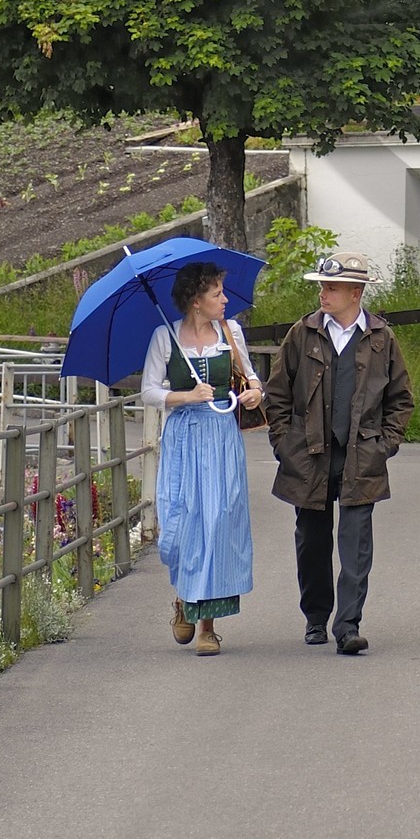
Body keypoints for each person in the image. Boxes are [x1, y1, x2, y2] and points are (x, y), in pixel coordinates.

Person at [263, 249, 414, 655]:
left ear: (355, 292)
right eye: (322, 286)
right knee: (311, 542)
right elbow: (276, 394)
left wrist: (385, 445)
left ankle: (348, 626)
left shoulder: (381, 339)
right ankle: (316, 618)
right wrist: (284, 444)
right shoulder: (302, 333)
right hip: (308, 456)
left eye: (331, 287)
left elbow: (401, 400)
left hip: (362, 456)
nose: (322, 294)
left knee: (355, 544)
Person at [141, 261, 262, 657]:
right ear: (196, 301)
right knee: (184, 519)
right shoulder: (165, 337)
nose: (225, 299)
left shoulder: (231, 332)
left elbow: (252, 377)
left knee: (218, 521)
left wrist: (253, 393)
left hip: (222, 436)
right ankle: (183, 599)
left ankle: (208, 626)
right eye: (217, 294)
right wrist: (184, 396)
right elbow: (149, 392)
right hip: (184, 437)